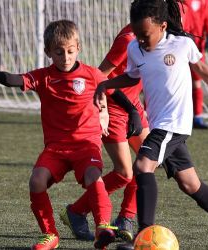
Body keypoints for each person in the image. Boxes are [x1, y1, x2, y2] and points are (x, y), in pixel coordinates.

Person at [93, 1, 208, 250]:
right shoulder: (136, 47)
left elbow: (202, 68)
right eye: (137, 35)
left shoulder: (181, 44)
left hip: (175, 122)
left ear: (163, 26)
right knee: (190, 183)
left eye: (146, 35)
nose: (141, 41)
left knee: (143, 165)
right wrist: (106, 84)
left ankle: (143, 237)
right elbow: (133, 76)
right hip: (160, 123)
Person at [0, 20, 117, 250]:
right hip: (56, 148)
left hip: (86, 144)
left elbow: (115, 93)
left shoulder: (93, 75)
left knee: (94, 177)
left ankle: (103, 227)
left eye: (70, 51)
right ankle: (50, 235)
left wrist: (131, 115)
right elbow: (15, 80)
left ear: (78, 48)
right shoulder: (44, 77)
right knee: (36, 180)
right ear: (48, 52)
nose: (65, 57)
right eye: (59, 52)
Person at [59, 23, 150, 243]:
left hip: (133, 105)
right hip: (115, 107)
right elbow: (100, 76)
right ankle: (76, 211)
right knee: (124, 173)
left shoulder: (155, 32)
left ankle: (126, 218)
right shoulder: (129, 39)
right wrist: (102, 111)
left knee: (148, 161)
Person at [183, 0, 208, 129]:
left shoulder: (205, 1)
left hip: (197, 44)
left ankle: (197, 116)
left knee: (196, 80)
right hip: (180, 41)